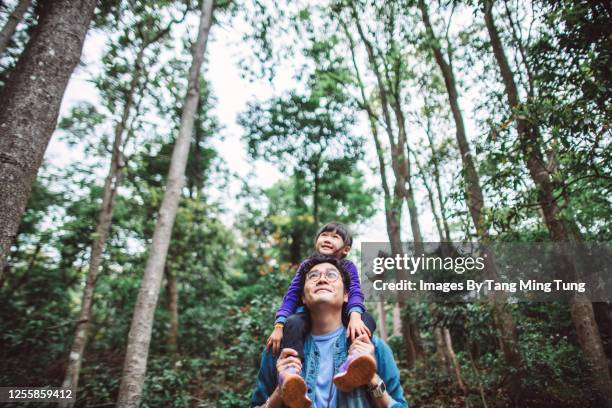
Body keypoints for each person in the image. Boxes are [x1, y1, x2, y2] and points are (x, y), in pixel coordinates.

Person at [252, 255, 408, 408]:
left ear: (346, 295)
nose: (322, 279)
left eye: (331, 275)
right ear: (303, 298)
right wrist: (282, 390)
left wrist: (371, 378)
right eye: (313, 276)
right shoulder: (280, 351)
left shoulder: (374, 348)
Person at [266, 222, 378, 405]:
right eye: (324, 235)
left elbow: (356, 291)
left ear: (346, 249)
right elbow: (291, 296)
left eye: (335, 237)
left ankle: (355, 361)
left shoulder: (348, 266)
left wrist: (355, 315)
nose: (328, 239)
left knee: (367, 319)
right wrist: (279, 325)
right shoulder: (307, 266)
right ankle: (291, 375)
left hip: (344, 314)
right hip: (307, 317)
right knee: (293, 322)